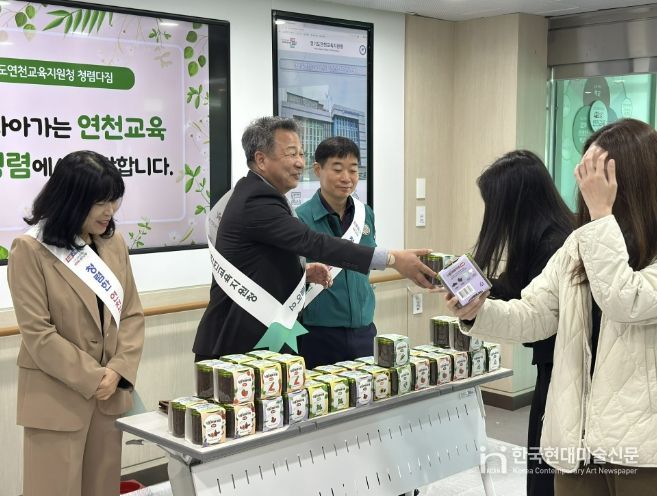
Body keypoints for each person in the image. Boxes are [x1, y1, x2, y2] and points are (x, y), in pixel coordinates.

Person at [446, 119, 657, 496]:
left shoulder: (602, 237)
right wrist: (478, 311)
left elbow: (626, 300)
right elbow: (533, 314)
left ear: (632, 176)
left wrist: (601, 217)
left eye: (597, 174)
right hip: (575, 438)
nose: (586, 184)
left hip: (641, 446)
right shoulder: (579, 244)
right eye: (584, 173)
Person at [194, 117, 435, 360]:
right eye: (291, 154)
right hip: (235, 343)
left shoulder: (260, 194)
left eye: (301, 153)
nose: (300, 162)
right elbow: (314, 242)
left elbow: (259, 263)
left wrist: (303, 272)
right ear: (261, 159)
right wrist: (392, 259)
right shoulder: (258, 200)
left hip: (253, 342)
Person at [7, 151, 145, 496]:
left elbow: (131, 314)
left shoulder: (113, 243)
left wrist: (119, 369)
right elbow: (38, 334)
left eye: (113, 200)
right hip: (57, 400)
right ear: (70, 198)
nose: (109, 211)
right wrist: (96, 377)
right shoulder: (29, 250)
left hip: (108, 397)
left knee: (102, 488)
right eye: (100, 202)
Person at [471, 150, 573, 496]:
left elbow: (533, 312)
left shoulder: (556, 244)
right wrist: (480, 288)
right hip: (552, 365)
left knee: (548, 468)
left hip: (563, 370)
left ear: (515, 202)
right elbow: (520, 290)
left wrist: (480, 307)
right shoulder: (543, 236)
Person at [296, 137, 378, 369]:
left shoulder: (365, 214)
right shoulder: (299, 218)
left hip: (364, 330)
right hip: (318, 333)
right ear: (317, 170)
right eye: (338, 169)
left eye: (353, 170)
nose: (346, 178)